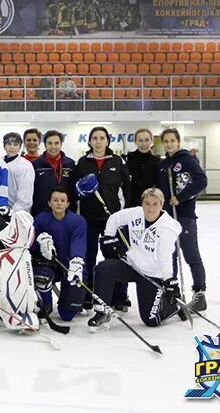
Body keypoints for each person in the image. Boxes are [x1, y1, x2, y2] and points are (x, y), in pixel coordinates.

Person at [88, 188, 184, 330]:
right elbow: (114, 218)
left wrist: (169, 280)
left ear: (161, 204)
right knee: (104, 268)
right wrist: (109, 236)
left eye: (155, 204)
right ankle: (102, 311)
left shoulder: (167, 228)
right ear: (142, 203)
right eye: (147, 203)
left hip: (151, 274)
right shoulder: (136, 213)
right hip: (132, 265)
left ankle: (173, 306)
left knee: (151, 320)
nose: (150, 208)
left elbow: (165, 257)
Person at [75, 126, 130, 311]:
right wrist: (80, 191)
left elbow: (126, 189)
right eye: (95, 138)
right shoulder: (82, 162)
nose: (98, 142)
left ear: (108, 141)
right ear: (89, 141)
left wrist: (122, 215)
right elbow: (75, 191)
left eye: (102, 138)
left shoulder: (118, 161)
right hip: (89, 219)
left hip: (113, 220)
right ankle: (88, 295)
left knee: (114, 258)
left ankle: (119, 297)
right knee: (88, 258)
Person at [156, 128, 208, 313]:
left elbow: (201, 181)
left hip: (184, 215)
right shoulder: (163, 164)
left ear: (178, 141)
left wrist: (181, 197)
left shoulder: (187, 159)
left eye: (172, 140)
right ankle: (173, 294)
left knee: (191, 254)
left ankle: (200, 294)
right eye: (166, 141)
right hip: (167, 217)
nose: (169, 144)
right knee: (170, 256)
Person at [32, 187, 86, 322]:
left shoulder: (77, 221)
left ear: (68, 204)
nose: (59, 203)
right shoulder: (40, 220)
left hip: (70, 266)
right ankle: (46, 304)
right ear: (49, 203)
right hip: (49, 265)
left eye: (62, 200)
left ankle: (69, 302)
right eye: (55, 200)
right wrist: (40, 243)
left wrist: (76, 261)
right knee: (41, 274)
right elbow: (31, 244)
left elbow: (78, 244)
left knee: (67, 315)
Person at [31, 130, 76, 217]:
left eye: (56, 143)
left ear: (61, 144)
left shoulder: (70, 164)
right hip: (42, 213)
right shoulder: (35, 165)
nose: (53, 147)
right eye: (50, 143)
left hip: (66, 214)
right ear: (45, 145)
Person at [125, 128, 159, 207]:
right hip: (131, 203)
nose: (144, 144)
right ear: (135, 142)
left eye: (147, 140)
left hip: (150, 203)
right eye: (140, 140)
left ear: (151, 141)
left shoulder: (157, 161)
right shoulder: (127, 159)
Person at [2, 132, 34, 213]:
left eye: (15, 144)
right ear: (4, 146)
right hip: (0, 210)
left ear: (20, 147)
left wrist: (13, 212)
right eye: (9, 144)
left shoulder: (25, 165)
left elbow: (25, 195)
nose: (12, 147)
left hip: (18, 213)